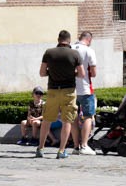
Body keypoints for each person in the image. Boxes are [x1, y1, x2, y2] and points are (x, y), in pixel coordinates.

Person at [36, 29, 84, 160]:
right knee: (67, 120)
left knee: (46, 120)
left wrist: (50, 73)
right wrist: (71, 73)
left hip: (52, 90)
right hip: (68, 90)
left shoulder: (49, 52)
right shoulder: (75, 54)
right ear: (69, 41)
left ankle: (40, 148)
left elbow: (42, 73)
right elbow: (82, 74)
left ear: (58, 40)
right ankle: (61, 150)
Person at [72, 31, 98, 155]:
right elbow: (93, 73)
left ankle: (76, 146)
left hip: (71, 89)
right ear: (89, 39)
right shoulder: (89, 50)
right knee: (88, 116)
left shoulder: (70, 48)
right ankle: (84, 145)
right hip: (86, 88)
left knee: (73, 117)